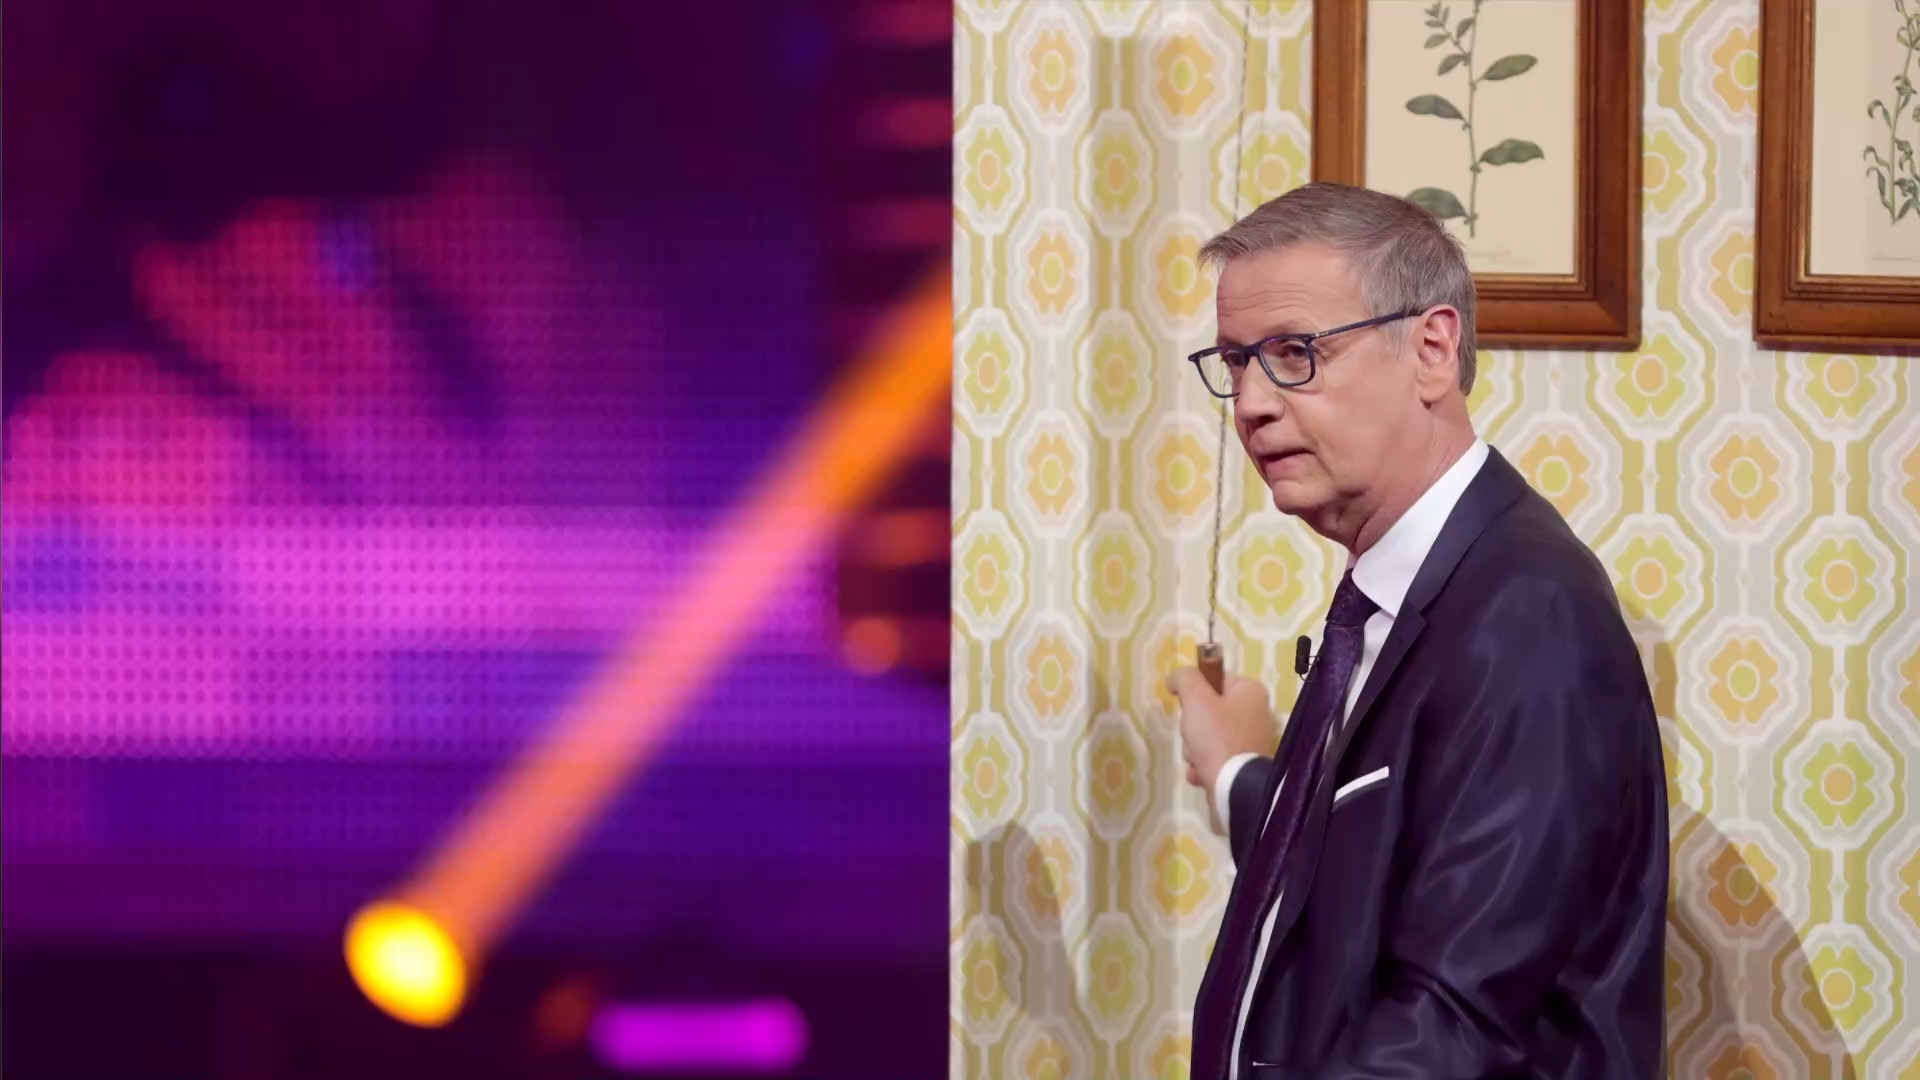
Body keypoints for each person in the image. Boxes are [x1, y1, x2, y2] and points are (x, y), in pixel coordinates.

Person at [1165, 182, 1668, 1080]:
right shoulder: (1405, 585)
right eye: (1236, 362)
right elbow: (1374, 862)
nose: (1249, 403)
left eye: (1295, 353)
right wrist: (1239, 773)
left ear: (1432, 351)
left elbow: (1455, 1024)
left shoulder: (1529, 617)